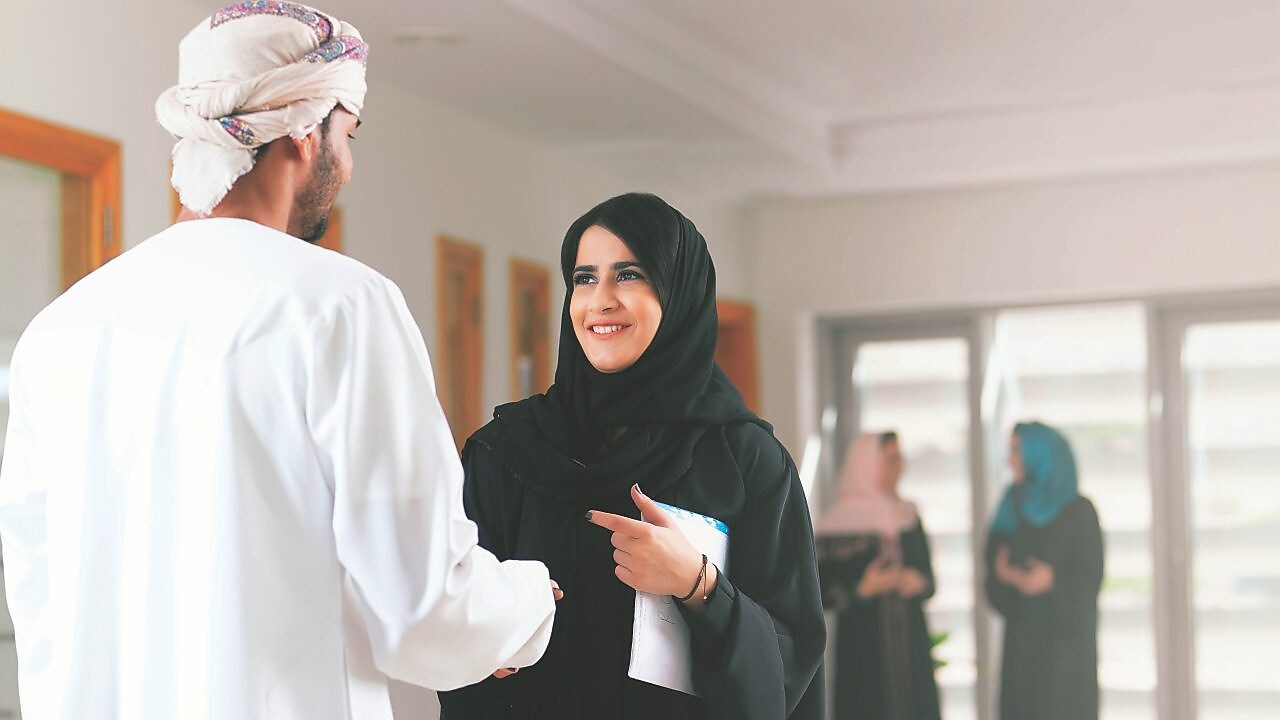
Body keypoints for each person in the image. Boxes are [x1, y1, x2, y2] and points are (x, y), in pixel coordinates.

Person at [0, 4, 557, 718]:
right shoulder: (339, 306)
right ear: (305, 129)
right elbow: (421, 609)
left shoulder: (62, 328)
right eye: (348, 133)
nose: (348, 164)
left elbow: (41, 603)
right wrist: (527, 602)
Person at [437, 193, 826, 719]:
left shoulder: (745, 461)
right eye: (583, 278)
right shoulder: (506, 454)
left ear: (678, 294)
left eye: (629, 275)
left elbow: (789, 666)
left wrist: (698, 584)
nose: (600, 300)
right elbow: (449, 625)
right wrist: (484, 642)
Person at [815, 432, 941, 720]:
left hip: (910, 647)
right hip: (863, 650)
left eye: (900, 459)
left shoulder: (907, 515)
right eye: (891, 459)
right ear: (867, 464)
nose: (900, 467)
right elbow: (820, 593)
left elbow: (930, 582)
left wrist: (915, 581)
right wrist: (863, 589)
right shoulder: (838, 523)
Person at [985, 421, 1104, 720]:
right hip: (1023, 649)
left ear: (1040, 456)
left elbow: (1091, 577)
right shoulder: (1011, 507)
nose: (1009, 460)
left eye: (1016, 451)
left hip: (1066, 652)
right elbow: (992, 569)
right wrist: (1006, 578)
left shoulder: (1079, 512)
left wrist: (1052, 581)